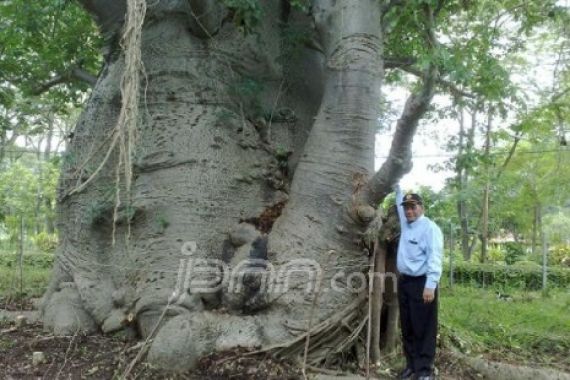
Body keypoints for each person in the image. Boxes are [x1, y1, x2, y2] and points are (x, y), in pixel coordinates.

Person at [394, 185, 443, 380]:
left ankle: (424, 370)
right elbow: (398, 203)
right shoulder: (406, 223)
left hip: (423, 284)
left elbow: (435, 257)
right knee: (408, 326)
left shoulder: (430, 228)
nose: (409, 211)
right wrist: (396, 185)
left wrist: (430, 285)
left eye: (413, 207)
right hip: (404, 282)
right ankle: (412, 366)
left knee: (424, 328)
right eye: (406, 207)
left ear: (421, 207)